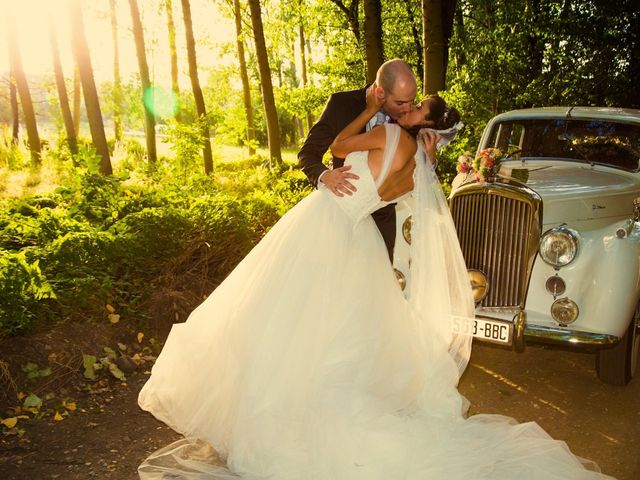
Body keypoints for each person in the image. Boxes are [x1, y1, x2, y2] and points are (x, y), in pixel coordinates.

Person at [136, 90, 612, 479]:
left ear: (423, 119)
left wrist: (366, 112)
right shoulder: (419, 165)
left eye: (417, 106)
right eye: (408, 102)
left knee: (289, 316)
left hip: (326, 224)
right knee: (338, 329)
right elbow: (383, 190)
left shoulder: (386, 131)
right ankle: (301, 402)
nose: (408, 107)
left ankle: (282, 414)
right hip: (358, 236)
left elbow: (340, 148)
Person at [298, 58, 417, 261]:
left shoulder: (410, 117)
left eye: (412, 101)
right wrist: (324, 175)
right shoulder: (341, 105)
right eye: (400, 103)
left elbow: (415, 166)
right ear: (380, 93)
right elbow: (307, 153)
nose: (408, 108)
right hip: (338, 224)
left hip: (382, 229)